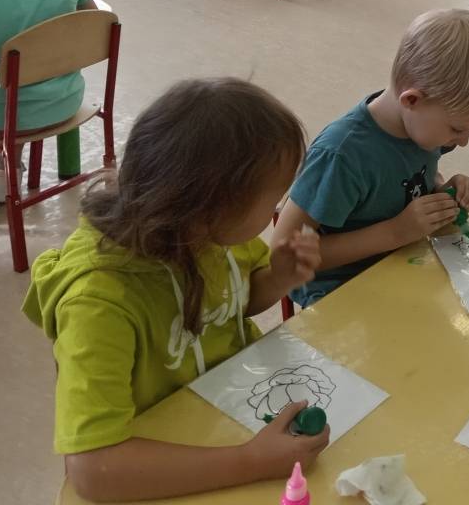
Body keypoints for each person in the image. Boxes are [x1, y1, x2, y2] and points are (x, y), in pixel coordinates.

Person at [21, 78, 328, 502]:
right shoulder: (98, 302)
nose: (277, 209)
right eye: (274, 197)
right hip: (157, 464)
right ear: (214, 206)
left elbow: (231, 305)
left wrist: (277, 279)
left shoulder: (209, 236)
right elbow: (92, 470)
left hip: (224, 415)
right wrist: (252, 460)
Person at [273, 8, 469, 305]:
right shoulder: (341, 156)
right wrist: (395, 232)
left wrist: (440, 191)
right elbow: (282, 253)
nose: (463, 142)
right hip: (338, 289)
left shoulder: (419, 127)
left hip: (399, 261)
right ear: (411, 100)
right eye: (457, 129)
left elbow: (410, 175)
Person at [0, 0, 96, 201]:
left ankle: (3, 174)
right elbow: (93, 23)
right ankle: (8, 168)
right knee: (17, 82)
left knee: (9, 90)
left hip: (4, 115)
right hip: (63, 100)